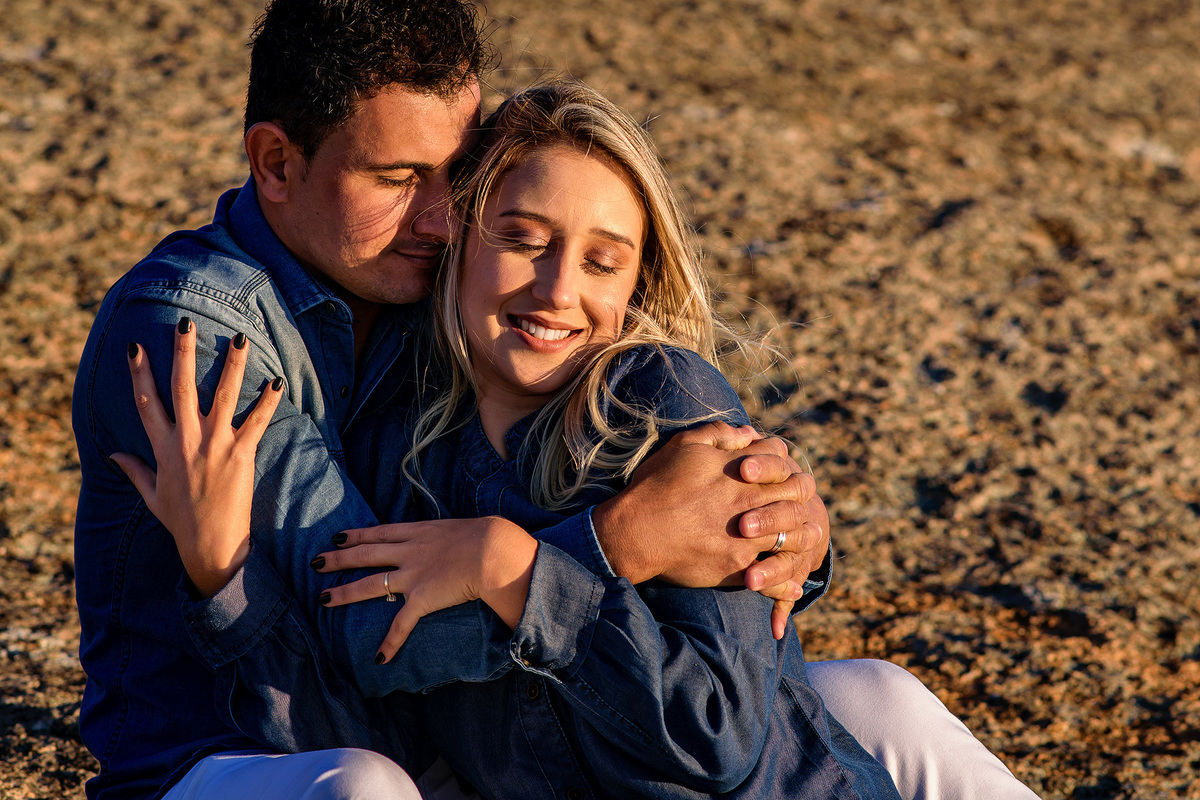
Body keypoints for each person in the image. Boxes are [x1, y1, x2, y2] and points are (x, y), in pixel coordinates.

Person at [115, 81, 1042, 800]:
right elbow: (364, 715)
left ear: (639, 279)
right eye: (522, 237)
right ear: (463, 237)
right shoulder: (400, 444)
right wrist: (222, 570)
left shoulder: (661, 413)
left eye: (603, 259)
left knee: (873, 698)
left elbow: (713, 735)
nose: (558, 290)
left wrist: (522, 573)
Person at [71, 2, 834, 799]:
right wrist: (622, 541)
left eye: (455, 175)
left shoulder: (430, 292)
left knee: (864, 701)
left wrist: (772, 528)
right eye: (398, 179)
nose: (440, 219)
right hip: (230, 753)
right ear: (275, 163)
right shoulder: (190, 336)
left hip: (452, 738)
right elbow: (370, 625)